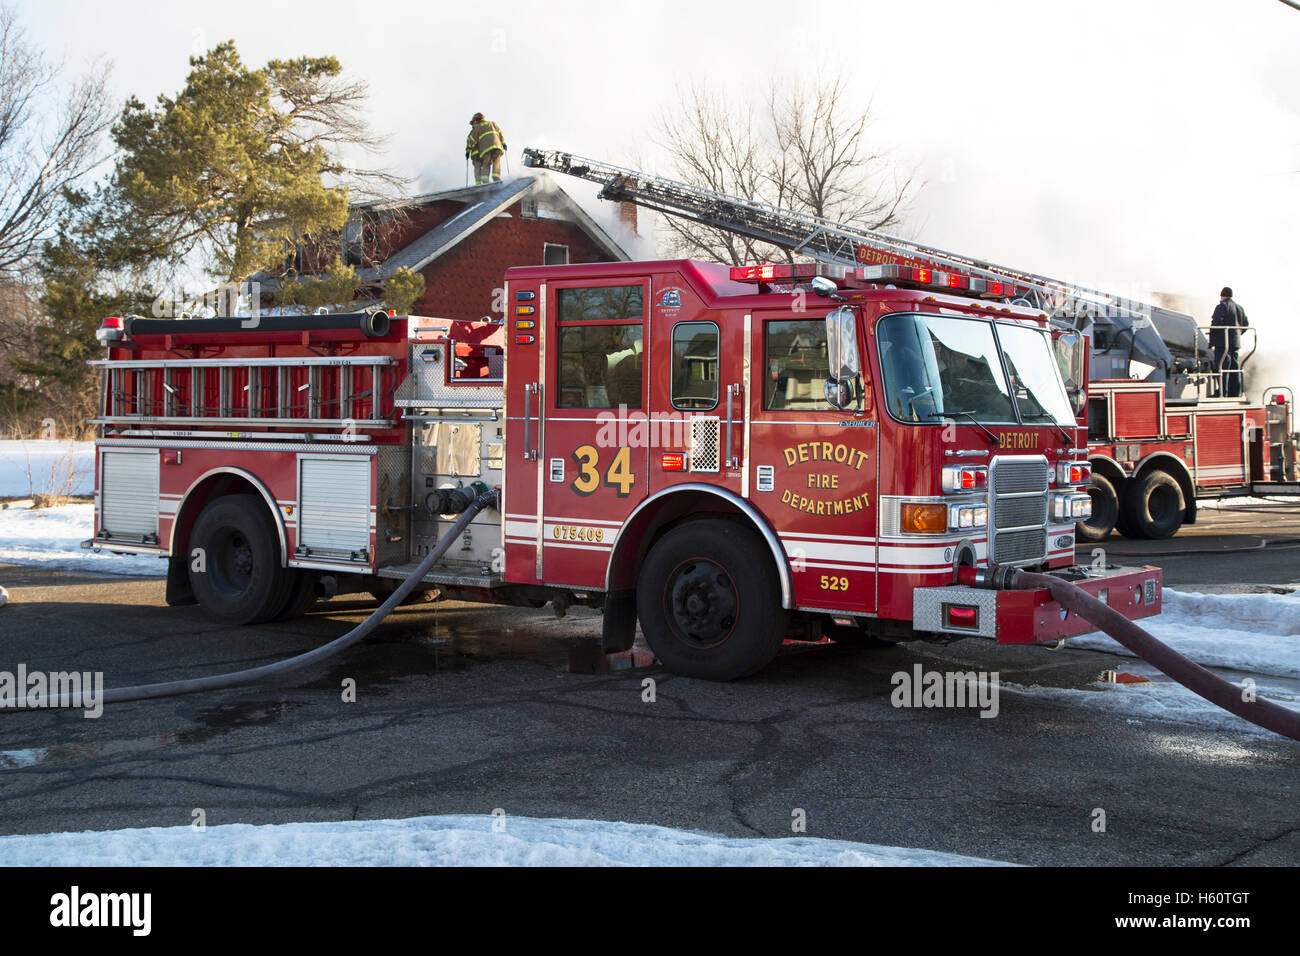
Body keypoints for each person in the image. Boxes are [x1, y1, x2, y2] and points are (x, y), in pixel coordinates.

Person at [1210, 286, 1249, 397]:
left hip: (1223, 343)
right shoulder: (1239, 308)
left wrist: (1212, 338)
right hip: (1235, 343)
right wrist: (1237, 334)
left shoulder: (1222, 306)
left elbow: (1215, 322)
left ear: (1222, 296)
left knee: (1222, 367)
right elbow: (1245, 324)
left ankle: (1222, 392)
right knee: (1234, 368)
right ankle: (1235, 392)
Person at [466, 113, 506, 185]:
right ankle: (496, 178)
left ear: (476, 120)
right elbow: (500, 133)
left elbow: (472, 140)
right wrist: (504, 143)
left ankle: (485, 181)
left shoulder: (477, 127)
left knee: (486, 164)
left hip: (485, 149)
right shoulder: (492, 123)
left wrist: (468, 149)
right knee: (496, 163)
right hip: (497, 147)